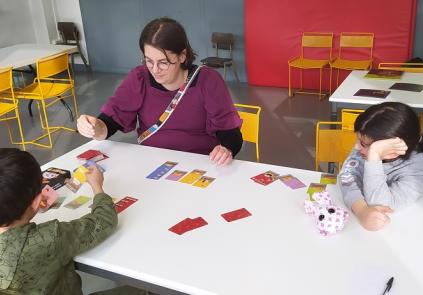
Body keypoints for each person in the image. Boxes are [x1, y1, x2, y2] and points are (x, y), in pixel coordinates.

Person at [77, 17, 243, 166]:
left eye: (163, 62)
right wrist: (95, 127)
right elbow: (111, 122)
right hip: (152, 163)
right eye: (149, 61)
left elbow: (231, 133)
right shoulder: (139, 78)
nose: (155, 70)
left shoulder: (207, 80)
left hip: (200, 165)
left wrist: (226, 149)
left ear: (182, 56)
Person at [0, 148, 119, 294]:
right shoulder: (50, 237)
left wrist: (29, 208)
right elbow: (104, 221)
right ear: (36, 202)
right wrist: (97, 186)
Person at [339, 102, 423, 231]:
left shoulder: (421, 174)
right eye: (358, 140)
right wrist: (361, 210)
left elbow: (379, 204)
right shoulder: (363, 151)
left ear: (392, 151)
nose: (356, 147)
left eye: (363, 144)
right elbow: (347, 176)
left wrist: (374, 156)